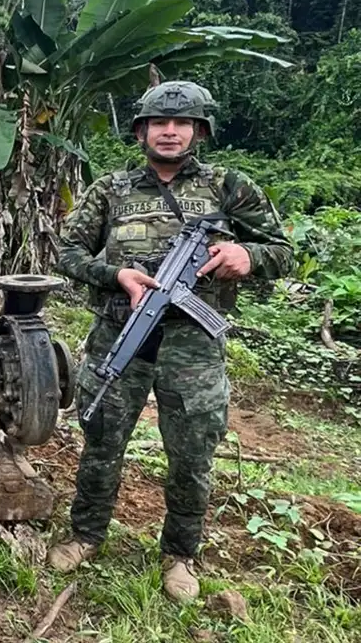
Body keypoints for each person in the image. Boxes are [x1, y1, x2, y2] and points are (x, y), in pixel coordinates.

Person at [47, 81, 293, 601]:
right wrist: (116, 275)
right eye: (159, 122)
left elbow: (282, 250)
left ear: (199, 132)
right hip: (120, 336)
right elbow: (67, 253)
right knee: (102, 441)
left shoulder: (230, 187)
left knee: (192, 454)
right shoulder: (110, 189)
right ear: (141, 131)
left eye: (182, 123)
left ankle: (179, 555)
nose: (170, 131)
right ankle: (85, 536)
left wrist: (246, 256)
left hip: (193, 348)